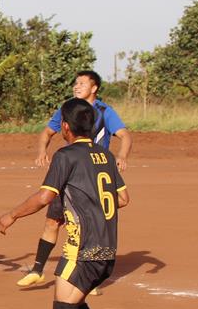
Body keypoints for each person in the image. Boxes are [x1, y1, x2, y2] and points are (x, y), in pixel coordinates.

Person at [0, 98, 130, 309]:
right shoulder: (105, 156)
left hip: (83, 247)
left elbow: (45, 197)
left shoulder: (66, 156)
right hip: (107, 244)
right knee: (75, 303)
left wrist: (11, 215)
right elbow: (122, 199)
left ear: (65, 127)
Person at [18, 70, 133, 287]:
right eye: (75, 83)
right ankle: (37, 269)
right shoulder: (68, 109)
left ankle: (91, 278)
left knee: (91, 225)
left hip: (93, 174)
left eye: (81, 83)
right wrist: (42, 150)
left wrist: (122, 156)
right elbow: (47, 132)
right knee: (53, 221)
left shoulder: (104, 111)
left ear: (94, 87)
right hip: (72, 172)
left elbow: (125, 135)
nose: (76, 86)